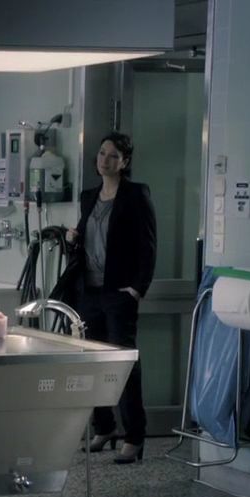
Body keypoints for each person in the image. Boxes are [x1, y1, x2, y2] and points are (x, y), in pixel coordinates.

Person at [62, 132, 156, 464]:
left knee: (123, 365)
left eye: (113, 155)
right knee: (91, 363)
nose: (105, 160)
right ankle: (104, 428)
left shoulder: (136, 195)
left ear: (124, 162)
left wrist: (137, 288)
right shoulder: (89, 197)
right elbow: (88, 239)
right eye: (102, 153)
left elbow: (147, 245)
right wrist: (72, 238)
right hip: (89, 292)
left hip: (118, 293)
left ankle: (134, 436)